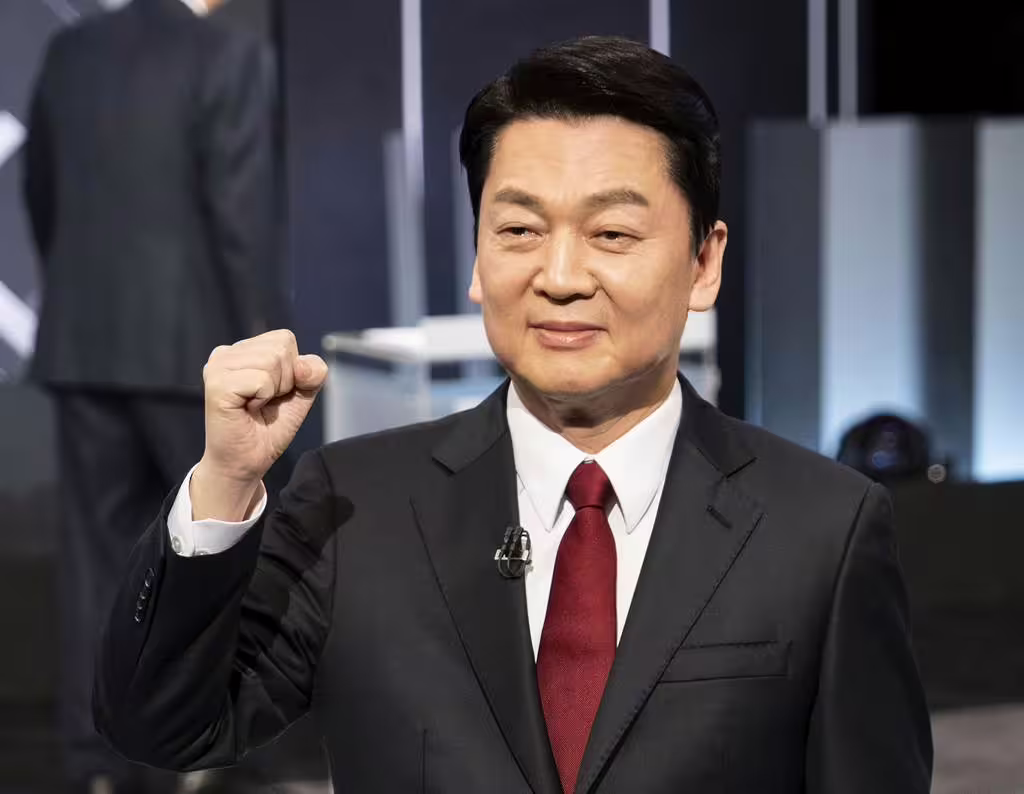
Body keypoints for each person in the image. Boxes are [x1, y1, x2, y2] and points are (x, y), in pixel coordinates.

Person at [94, 36, 933, 793]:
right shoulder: (355, 505)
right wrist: (226, 480)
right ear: (477, 255)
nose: (559, 277)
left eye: (611, 234)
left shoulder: (823, 528)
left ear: (704, 263)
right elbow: (164, 727)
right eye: (521, 230)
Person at [22, 0, 280, 790]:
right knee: (219, 555)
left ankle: (95, 761)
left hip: (86, 344)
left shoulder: (72, 52)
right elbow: (241, 218)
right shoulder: (229, 57)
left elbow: (40, 192)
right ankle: (200, 749)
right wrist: (261, 348)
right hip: (193, 355)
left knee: (93, 564)